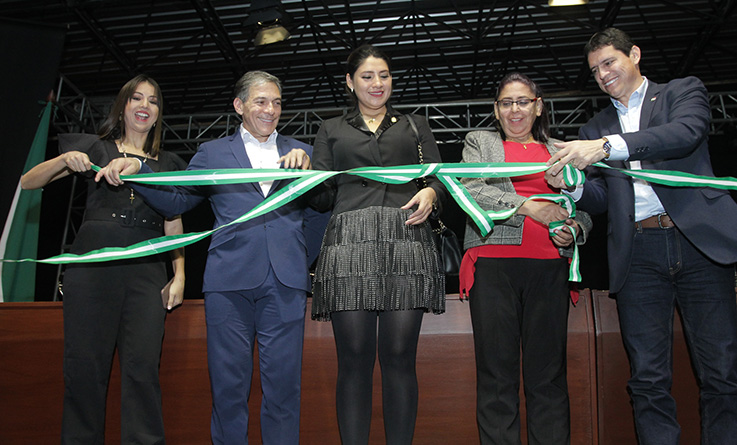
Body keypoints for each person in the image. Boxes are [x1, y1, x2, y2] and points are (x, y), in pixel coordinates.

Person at [96, 70, 326, 445]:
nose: (271, 110)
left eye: (277, 102)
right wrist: (140, 170)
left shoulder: (304, 153)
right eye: (261, 101)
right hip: (228, 285)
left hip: (285, 284)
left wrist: (300, 253)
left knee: (284, 390)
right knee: (228, 389)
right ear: (239, 106)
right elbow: (177, 200)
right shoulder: (213, 153)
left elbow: (324, 210)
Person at [546, 27, 737, 444]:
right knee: (648, 378)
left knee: (721, 370)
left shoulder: (681, 92)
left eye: (609, 62)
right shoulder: (596, 124)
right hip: (639, 253)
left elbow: (685, 134)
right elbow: (601, 195)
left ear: (634, 54)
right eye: (595, 70)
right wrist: (572, 184)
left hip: (698, 244)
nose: (603, 74)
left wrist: (606, 146)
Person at [21, 74, 186, 443]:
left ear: (158, 113)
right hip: (91, 270)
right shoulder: (95, 148)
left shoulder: (169, 162)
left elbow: (173, 221)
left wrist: (178, 274)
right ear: (123, 106)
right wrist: (64, 158)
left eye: (153, 101)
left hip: (146, 273)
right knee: (84, 370)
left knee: (143, 370)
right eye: (136, 98)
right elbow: (29, 182)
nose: (145, 106)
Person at [308, 44, 448, 444]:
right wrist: (301, 176)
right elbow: (320, 198)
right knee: (353, 361)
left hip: (407, 240)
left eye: (384, 75)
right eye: (367, 76)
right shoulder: (330, 129)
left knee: (400, 358)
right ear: (350, 82)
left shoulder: (415, 125)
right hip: (349, 246)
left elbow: (439, 177)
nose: (377, 83)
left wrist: (433, 193)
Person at [459, 72, 591, 445]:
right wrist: (527, 206)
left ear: (538, 106)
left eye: (522, 101)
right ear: (496, 111)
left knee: (547, 377)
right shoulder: (479, 142)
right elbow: (471, 188)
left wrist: (575, 229)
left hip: (551, 264)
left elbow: (585, 207)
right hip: (493, 263)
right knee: (496, 376)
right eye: (506, 103)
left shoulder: (562, 150)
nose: (514, 109)